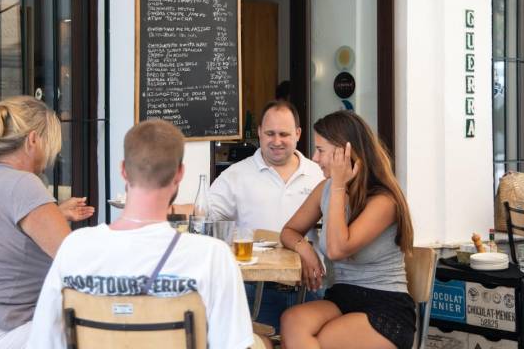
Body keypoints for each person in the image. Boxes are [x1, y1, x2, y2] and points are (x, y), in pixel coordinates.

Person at [27, 120, 261, 349]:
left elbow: (44, 341)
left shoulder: (74, 247)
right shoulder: (212, 256)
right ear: (179, 174)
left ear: (123, 171)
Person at [0, 96, 94, 349]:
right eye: (51, 142)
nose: (53, 153)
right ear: (33, 139)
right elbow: (74, 261)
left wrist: (56, 214)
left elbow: (2, 232)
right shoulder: (25, 183)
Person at [280, 110, 416, 349]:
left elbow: (336, 249)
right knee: (292, 320)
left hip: (385, 305)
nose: (315, 158)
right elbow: (289, 230)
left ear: (346, 152)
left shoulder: (384, 201)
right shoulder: (326, 189)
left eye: (321, 150)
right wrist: (304, 249)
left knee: (323, 341)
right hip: (342, 296)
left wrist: (339, 187)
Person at [209, 100, 325, 329]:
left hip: (310, 287)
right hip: (254, 291)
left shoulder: (318, 173)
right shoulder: (235, 175)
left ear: (298, 134)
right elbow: (207, 215)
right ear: (260, 133)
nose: (277, 141)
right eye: (270, 133)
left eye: (284, 134)